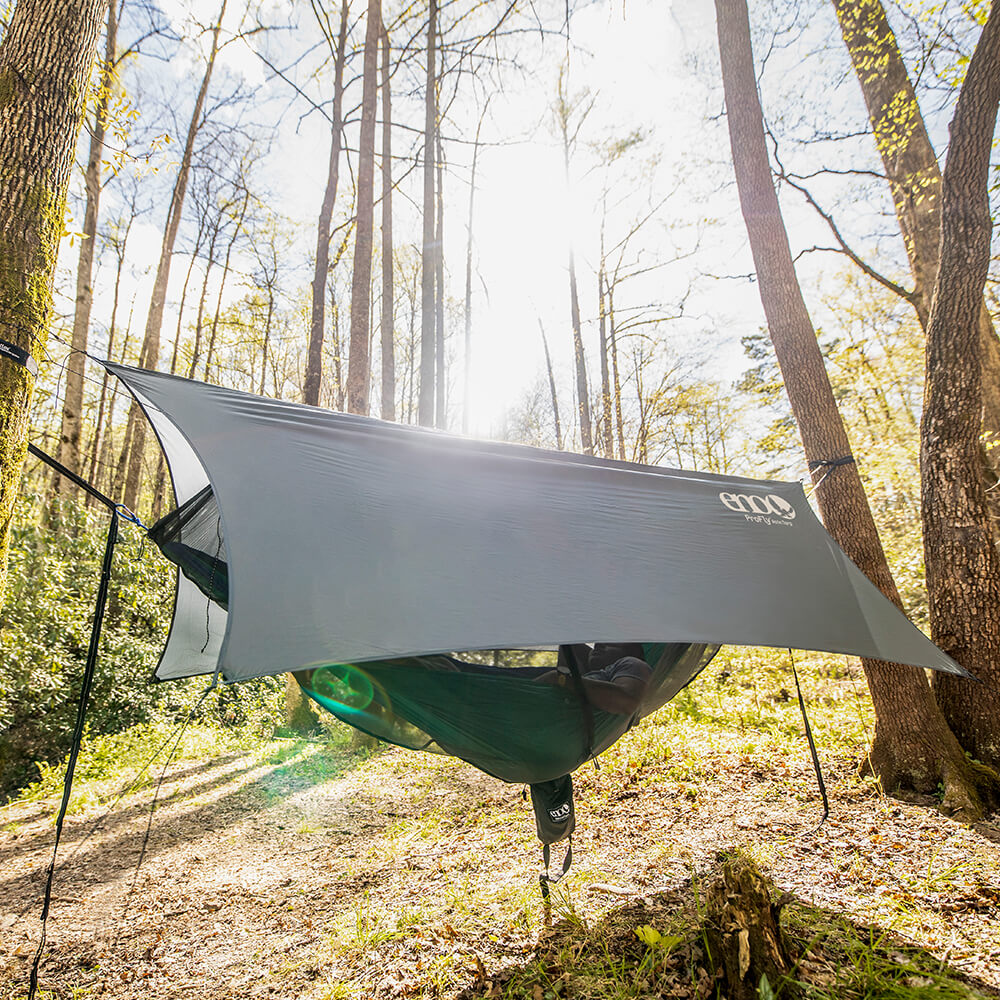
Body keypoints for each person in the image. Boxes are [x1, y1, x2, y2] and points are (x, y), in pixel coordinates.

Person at [538, 642, 652, 716]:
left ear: (630, 652)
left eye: (610, 643)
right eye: (598, 644)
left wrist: (560, 679)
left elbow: (628, 704)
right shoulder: (589, 676)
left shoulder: (631, 663)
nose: (599, 644)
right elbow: (571, 647)